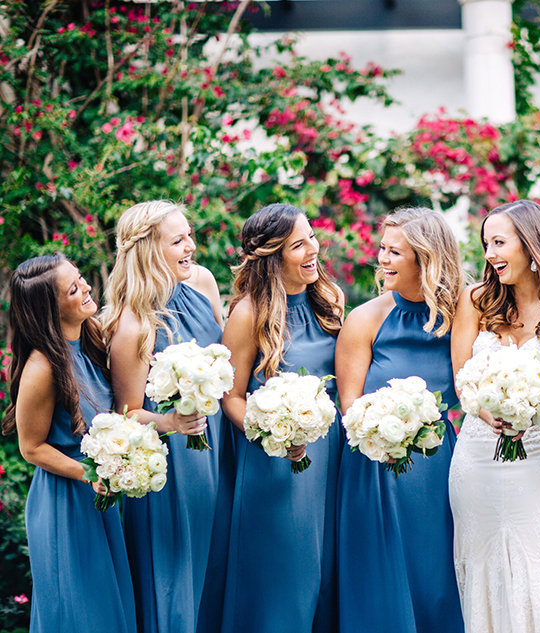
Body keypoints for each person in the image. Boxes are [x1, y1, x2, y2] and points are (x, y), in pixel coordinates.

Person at [448, 199, 540, 633]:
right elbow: (462, 380)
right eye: (486, 243)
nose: (489, 254)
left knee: (533, 559)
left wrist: (536, 407)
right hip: (477, 455)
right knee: (480, 560)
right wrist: (488, 408)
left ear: (531, 247)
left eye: (499, 242)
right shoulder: (474, 301)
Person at [336, 207, 465, 633]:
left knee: (435, 575)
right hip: (374, 465)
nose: (383, 260)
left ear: (425, 260)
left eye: (395, 252)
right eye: (383, 250)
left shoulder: (457, 316)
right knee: (379, 575)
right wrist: (381, 427)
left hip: (439, 464)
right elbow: (349, 407)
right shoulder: (365, 320)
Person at [219, 204, 344, 632]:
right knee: (287, 577)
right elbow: (231, 396)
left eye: (311, 237)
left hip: (333, 458)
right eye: (298, 244)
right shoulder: (249, 313)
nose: (313, 249)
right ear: (273, 255)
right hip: (278, 462)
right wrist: (271, 432)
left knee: (327, 574)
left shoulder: (329, 299)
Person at [101, 200, 225, 633]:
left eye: (189, 234)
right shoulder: (133, 325)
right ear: (150, 249)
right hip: (175, 464)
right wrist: (171, 423)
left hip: (220, 443)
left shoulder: (203, 282)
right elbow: (125, 414)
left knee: (218, 565)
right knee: (177, 575)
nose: (191, 246)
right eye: (178, 240)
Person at [1, 254, 135, 633]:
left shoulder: (90, 338)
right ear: (50, 310)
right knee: (82, 614)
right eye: (73, 289)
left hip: (98, 493)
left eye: (80, 279)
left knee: (109, 607)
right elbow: (31, 448)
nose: (87, 287)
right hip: (66, 500)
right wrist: (87, 473)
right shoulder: (42, 368)